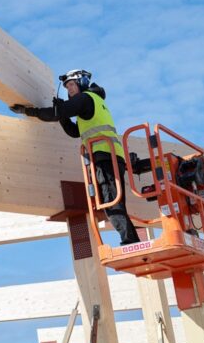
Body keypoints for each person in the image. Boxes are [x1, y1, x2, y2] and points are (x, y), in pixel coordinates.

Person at [10, 69, 140, 245]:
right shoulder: (94, 101)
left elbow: (55, 113)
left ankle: (130, 242)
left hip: (103, 156)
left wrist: (30, 111)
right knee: (114, 201)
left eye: (71, 84)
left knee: (110, 201)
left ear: (81, 83)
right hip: (110, 156)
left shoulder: (85, 98)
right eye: (66, 87)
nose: (69, 89)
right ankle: (132, 240)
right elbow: (74, 131)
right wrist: (62, 115)